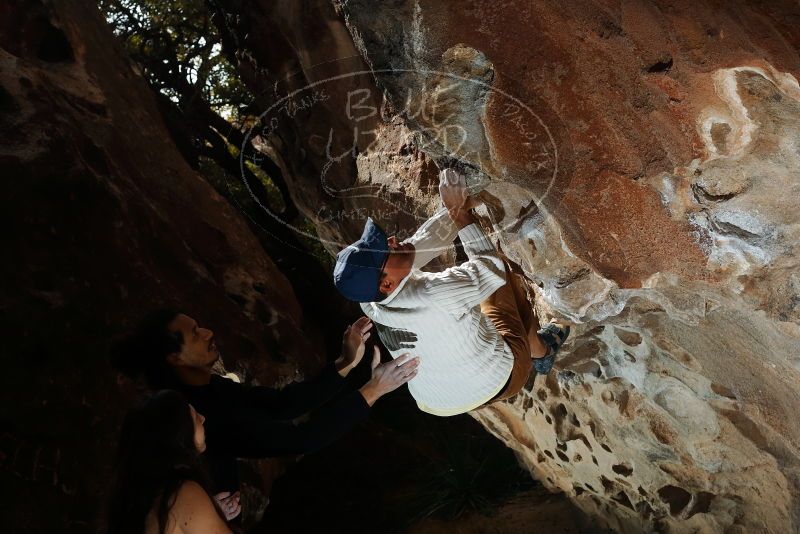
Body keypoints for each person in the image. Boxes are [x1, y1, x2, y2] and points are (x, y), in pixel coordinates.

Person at [111, 312, 417, 512]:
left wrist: (345, 363)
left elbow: (280, 405)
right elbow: (301, 438)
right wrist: (373, 389)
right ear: (175, 358)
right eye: (194, 334)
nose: (207, 331)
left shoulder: (210, 388)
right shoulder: (199, 414)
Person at [332, 168, 569, 417]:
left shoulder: (370, 301)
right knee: (500, 283)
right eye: (385, 251)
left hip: (439, 403)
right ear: (387, 285)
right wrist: (460, 214)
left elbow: (421, 245)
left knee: (470, 303)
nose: (391, 240)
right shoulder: (434, 295)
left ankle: (532, 351)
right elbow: (490, 270)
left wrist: (459, 203)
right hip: (506, 379)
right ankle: (540, 351)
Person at [107, 390, 231, 534]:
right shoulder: (182, 493)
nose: (202, 418)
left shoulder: (142, 497)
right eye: (195, 417)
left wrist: (209, 513)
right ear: (180, 432)